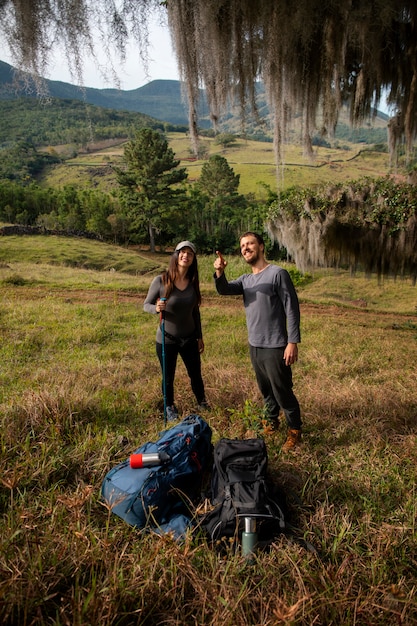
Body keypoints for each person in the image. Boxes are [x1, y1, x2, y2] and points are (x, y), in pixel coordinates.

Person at [213, 232, 302, 451]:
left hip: (276, 345)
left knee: (282, 391)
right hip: (255, 345)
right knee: (265, 390)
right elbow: (223, 289)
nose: (245, 248)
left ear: (261, 246)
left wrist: (292, 342)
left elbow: (292, 307)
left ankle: (295, 431)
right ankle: (271, 423)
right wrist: (219, 271)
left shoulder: (277, 274)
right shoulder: (245, 280)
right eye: (242, 245)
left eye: (250, 243)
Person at [144, 241, 208, 421]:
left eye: (190, 253)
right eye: (182, 252)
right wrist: (156, 308)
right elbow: (145, 305)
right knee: (168, 376)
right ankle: (169, 407)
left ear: (193, 259)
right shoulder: (161, 280)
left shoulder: (193, 281)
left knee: (195, 373)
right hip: (167, 339)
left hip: (189, 338)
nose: (185, 256)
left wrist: (199, 336)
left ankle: (202, 401)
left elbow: (195, 311)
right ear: (176, 255)